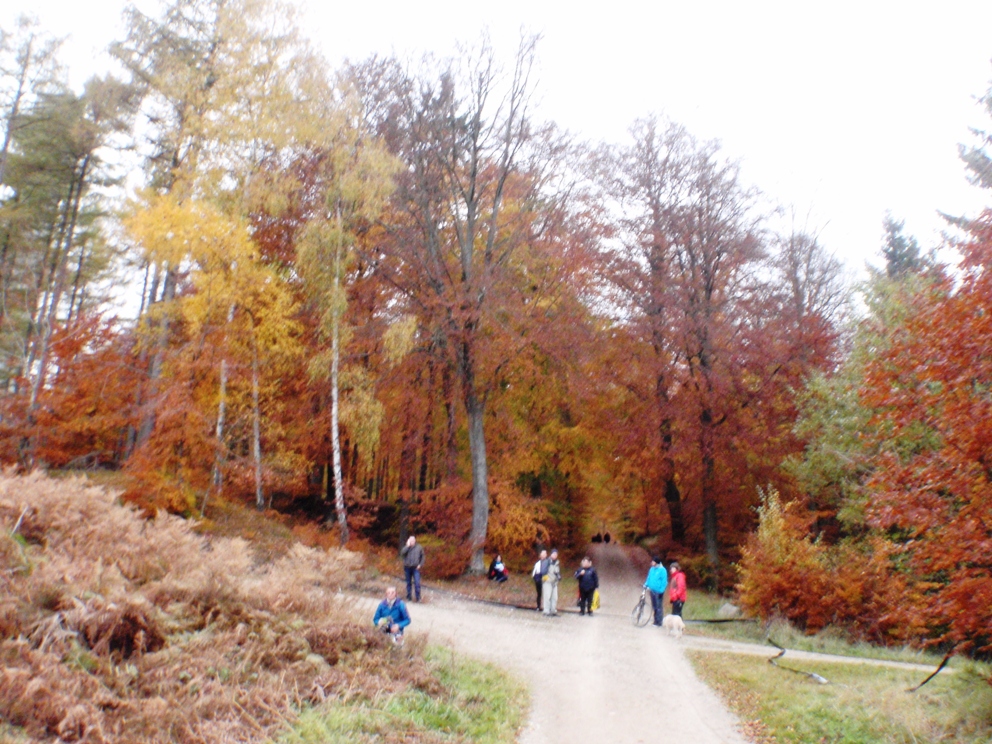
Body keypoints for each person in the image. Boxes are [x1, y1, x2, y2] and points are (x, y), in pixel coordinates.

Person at [644, 555, 668, 627]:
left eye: (653, 561)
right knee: (654, 606)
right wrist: (646, 585)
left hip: (658, 591)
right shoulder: (652, 569)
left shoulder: (662, 570)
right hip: (652, 590)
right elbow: (649, 578)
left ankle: (659, 621)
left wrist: (661, 591)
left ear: (656, 562)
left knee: (658, 606)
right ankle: (655, 620)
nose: (652, 563)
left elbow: (664, 582)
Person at [401, 535, 425, 602]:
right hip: (407, 567)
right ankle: (409, 597)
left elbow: (422, 556)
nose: (412, 542)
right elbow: (402, 553)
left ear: (415, 541)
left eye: (413, 540)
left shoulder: (419, 547)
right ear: (408, 541)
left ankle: (418, 598)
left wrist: (420, 564)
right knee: (408, 583)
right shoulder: (406, 548)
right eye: (410, 540)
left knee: (417, 583)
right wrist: (407, 546)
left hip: (415, 568)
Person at [542, 549, 561, 616]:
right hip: (548, 582)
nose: (555, 555)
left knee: (555, 597)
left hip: (554, 583)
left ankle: (553, 610)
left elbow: (557, 572)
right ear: (551, 554)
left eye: (556, 554)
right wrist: (546, 579)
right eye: (554, 554)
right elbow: (543, 572)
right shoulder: (547, 561)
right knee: (547, 597)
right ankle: (546, 611)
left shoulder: (557, 563)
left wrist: (558, 576)